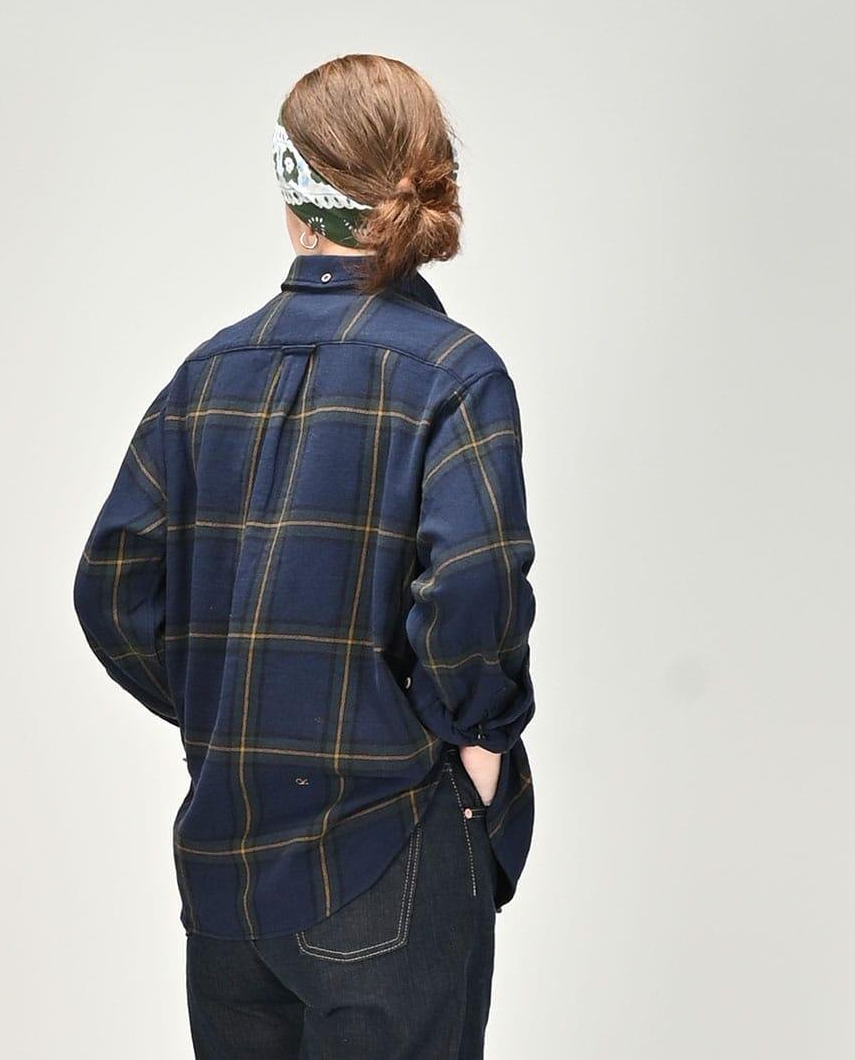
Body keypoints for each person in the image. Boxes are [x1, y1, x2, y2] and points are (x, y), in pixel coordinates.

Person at [73, 53, 537, 1059]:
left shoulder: (205, 377)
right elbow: (473, 588)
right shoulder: (454, 375)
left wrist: (241, 707)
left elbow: (113, 590)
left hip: (228, 872)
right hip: (391, 849)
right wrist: (480, 755)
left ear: (293, 192)